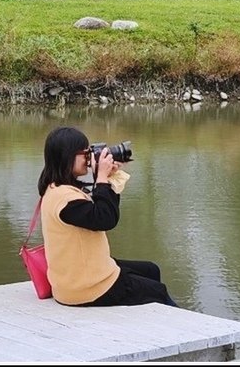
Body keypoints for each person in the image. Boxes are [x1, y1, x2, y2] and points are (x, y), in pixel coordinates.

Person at [36, 126, 177, 307]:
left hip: (79, 277)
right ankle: (188, 329)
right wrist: (101, 177)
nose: (89, 158)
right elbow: (105, 219)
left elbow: (103, 211)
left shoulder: (57, 188)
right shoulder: (64, 199)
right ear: (68, 156)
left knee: (150, 270)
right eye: (85, 153)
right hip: (86, 289)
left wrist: (107, 178)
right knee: (158, 291)